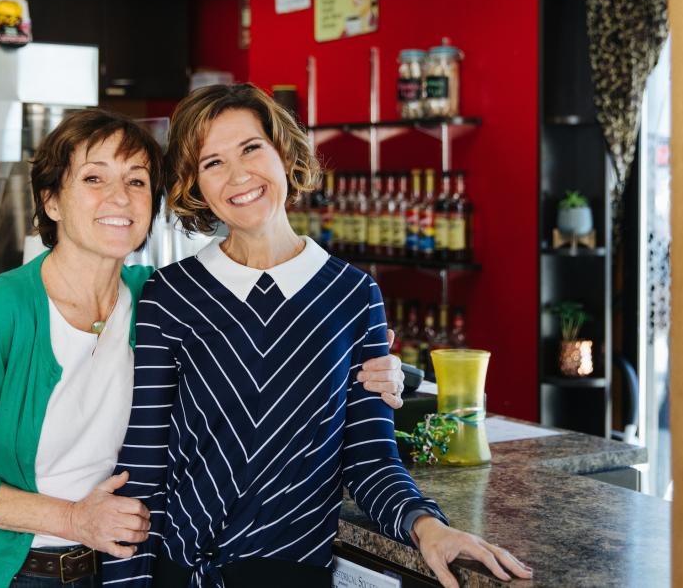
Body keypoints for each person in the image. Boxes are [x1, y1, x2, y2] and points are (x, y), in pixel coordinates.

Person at [0, 109, 405, 588]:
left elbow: (262, 350)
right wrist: (75, 519)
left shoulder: (155, 298)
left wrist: (379, 372)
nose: (120, 197)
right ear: (51, 200)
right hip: (13, 571)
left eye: (137, 181)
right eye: (94, 178)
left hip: (118, 565)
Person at [103, 84, 532, 588]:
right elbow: (143, 464)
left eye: (251, 148)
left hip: (290, 575)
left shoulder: (354, 296)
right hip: (178, 573)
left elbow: (371, 460)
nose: (239, 176)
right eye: (212, 163)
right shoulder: (170, 294)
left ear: (284, 151)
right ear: (195, 185)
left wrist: (427, 525)